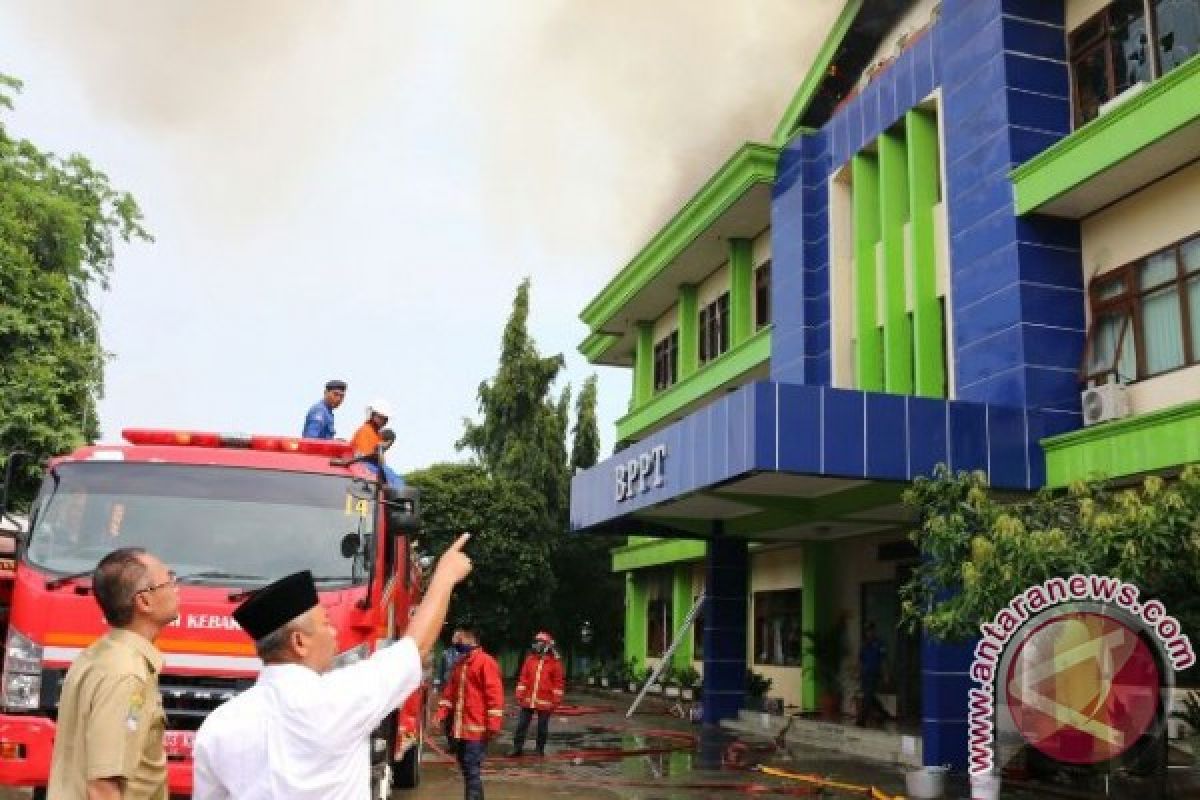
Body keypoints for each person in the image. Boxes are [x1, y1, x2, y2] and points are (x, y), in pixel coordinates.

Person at [192, 533, 473, 800]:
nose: (334, 633)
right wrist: (444, 578)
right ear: (299, 642)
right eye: (326, 624)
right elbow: (415, 648)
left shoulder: (218, 726)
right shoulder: (340, 698)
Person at [47, 548, 180, 799]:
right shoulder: (127, 675)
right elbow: (103, 787)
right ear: (144, 602)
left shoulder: (100, 655)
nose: (176, 588)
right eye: (169, 580)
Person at [435, 628, 504, 800]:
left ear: (470, 640)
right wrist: (441, 713)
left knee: (472, 770)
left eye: (459, 639)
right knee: (467, 768)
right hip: (461, 729)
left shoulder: (485, 662)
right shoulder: (460, 664)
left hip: (477, 730)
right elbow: (450, 693)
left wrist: (494, 725)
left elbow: (494, 695)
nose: (456, 643)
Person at [510, 631, 564, 757]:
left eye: (540, 642)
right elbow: (523, 678)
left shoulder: (555, 663)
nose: (537, 644)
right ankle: (517, 748)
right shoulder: (530, 660)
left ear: (547, 645)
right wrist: (519, 693)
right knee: (522, 725)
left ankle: (539, 750)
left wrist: (556, 700)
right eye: (536, 642)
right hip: (528, 700)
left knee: (542, 727)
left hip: (546, 702)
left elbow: (558, 683)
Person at [856, 622, 891, 727]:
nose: (869, 633)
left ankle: (861, 720)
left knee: (868, 696)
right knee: (869, 696)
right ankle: (883, 713)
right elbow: (860, 661)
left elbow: (884, 660)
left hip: (875, 674)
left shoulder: (880, 644)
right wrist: (857, 673)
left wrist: (886, 675)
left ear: (874, 631)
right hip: (865, 674)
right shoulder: (864, 645)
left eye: (871, 631)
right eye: (867, 631)